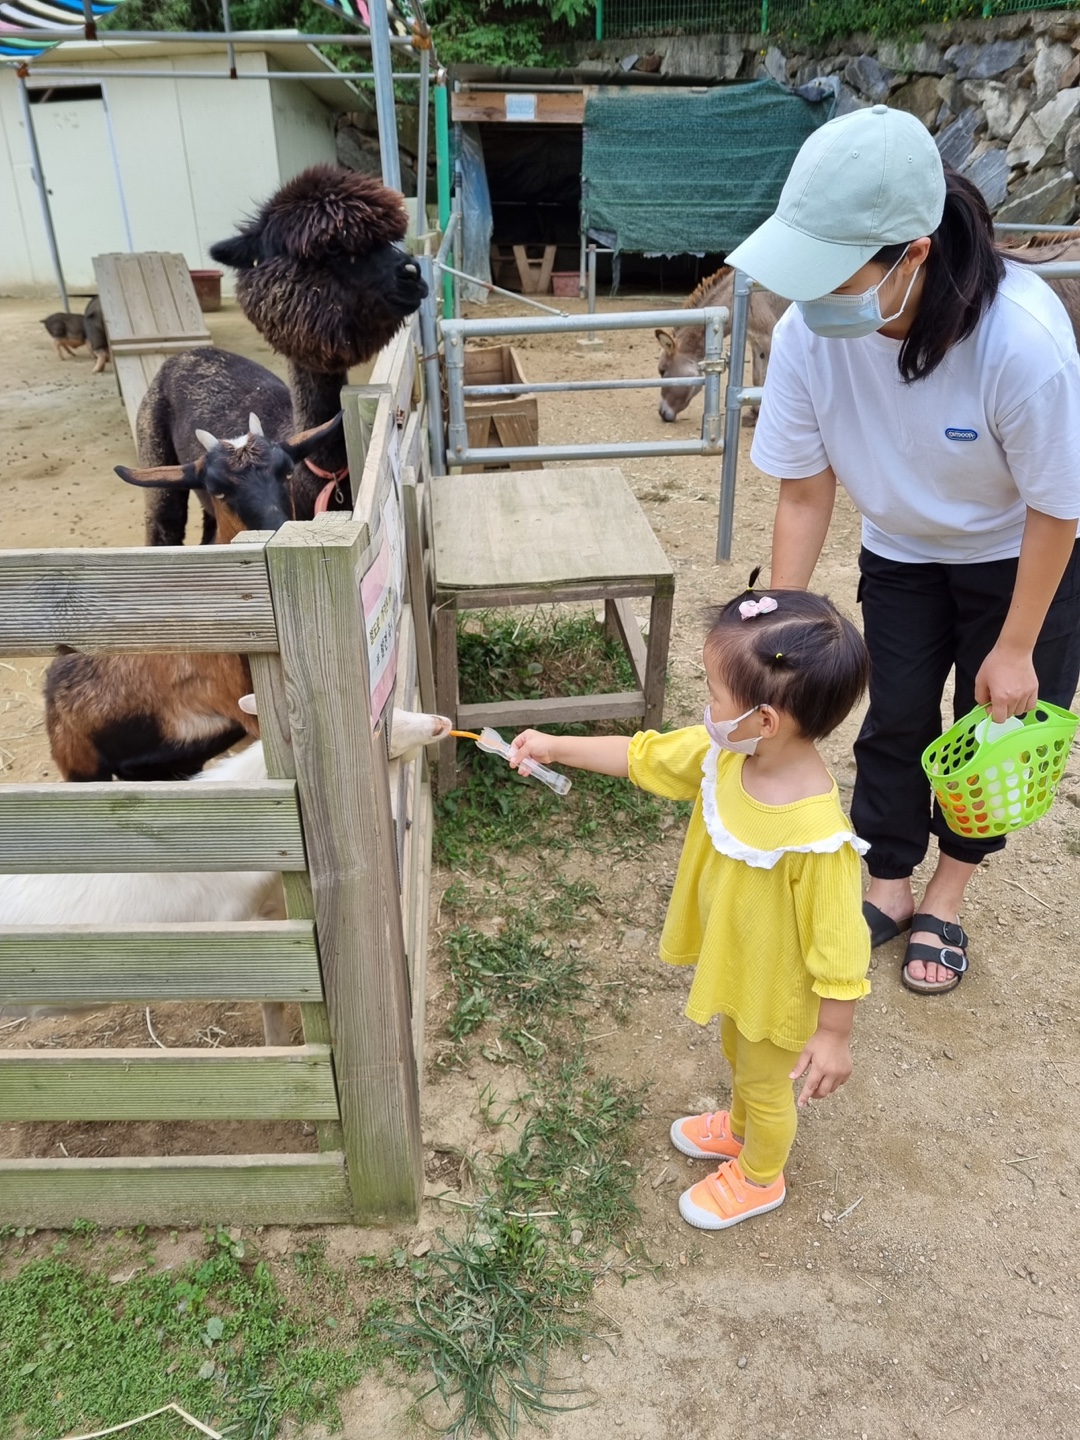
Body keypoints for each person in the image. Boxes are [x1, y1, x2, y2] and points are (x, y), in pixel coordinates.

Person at [726, 105, 1080, 996]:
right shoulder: (813, 332)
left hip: (1021, 558)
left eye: (832, 268)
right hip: (901, 552)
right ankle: (887, 876)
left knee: (987, 731)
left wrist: (1015, 645)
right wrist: (782, 630)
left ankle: (948, 892)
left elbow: (1057, 507)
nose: (809, 293)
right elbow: (806, 488)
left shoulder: (1022, 340)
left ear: (912, 254)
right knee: (894, 718)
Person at [507, 580, 871, 1231]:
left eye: (713, 694)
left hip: (780, 992)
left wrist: (834, 1035)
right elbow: (642, 756)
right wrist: (556, 746)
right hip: (740, 967)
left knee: (766, 1081)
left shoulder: (817, 838)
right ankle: (739, 1128)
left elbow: (841, 945)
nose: (704, 707)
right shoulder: (726, 753)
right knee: (738, 1054)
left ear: (765, 720)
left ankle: (761, 1176)